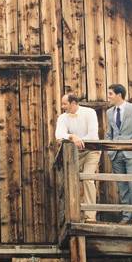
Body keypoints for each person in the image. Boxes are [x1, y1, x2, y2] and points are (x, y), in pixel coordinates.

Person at [105, 84, 132, 225]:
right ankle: (126, 215)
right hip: (115, 154)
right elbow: (108, 133)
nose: (108, 96)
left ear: (119, 95)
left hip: (131, 152)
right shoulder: (109, 112)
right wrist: (109, 149)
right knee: (122, 186)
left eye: (110, 94)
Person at [55, 94, 101, 223]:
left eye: (65, 104)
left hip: (91, 151)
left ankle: (90, 216)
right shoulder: (62, 118)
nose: (62, 106)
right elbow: (59, 135)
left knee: (88, 178)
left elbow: (92, 134)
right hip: (74, 152)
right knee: (70, 181)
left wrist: (79, 140)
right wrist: (72, 137)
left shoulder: (89, 112)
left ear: (74, 103)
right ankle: (71, 216)